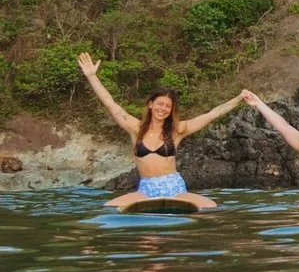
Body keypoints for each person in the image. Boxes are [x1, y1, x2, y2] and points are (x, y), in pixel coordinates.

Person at [76, 52, 243, 209]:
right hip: (145, 190)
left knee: (211, 207)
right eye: (160, 104)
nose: (163, 109)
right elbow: (111, 104)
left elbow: (211, 115)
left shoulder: (177, 130)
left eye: (168, 106)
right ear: (151, 105)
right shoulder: (135, 128)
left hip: (175, 189)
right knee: (108, 208)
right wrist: (91, 76)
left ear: (171, 110)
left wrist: (239, 98)